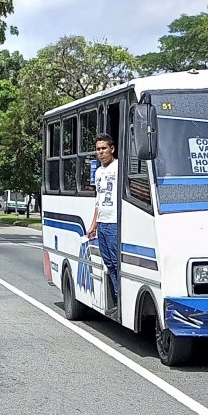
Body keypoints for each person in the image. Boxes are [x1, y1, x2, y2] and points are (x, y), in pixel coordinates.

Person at [87, 133, 119, 313]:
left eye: (104, 148)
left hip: (115, 222)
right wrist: (94, 225)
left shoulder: (118, 167)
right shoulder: (98, 172)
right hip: (102, 223)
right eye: (98, 149)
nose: (101, 152)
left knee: (117, 263)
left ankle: (121, 302)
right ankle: (116, 300)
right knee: (109, 265)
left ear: (112, 149)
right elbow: (98, 200)